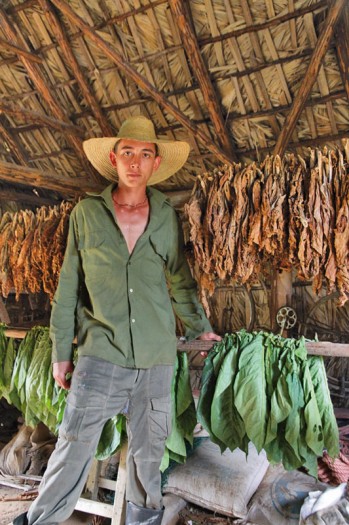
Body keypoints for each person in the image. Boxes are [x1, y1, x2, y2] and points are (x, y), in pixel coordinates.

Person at [13, 115, 221, 525]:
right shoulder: (86, 215)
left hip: (155, 358)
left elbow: (179, 279)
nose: (135, 162)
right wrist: (60, 352)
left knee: (149, 456)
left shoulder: (165, 215)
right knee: (73, 444)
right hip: (99, 355)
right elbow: (68, 287)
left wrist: (199, 328)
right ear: (114, 157)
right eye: (128, 152)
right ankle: (40, 521)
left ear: (155, 163)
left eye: (145, 154)